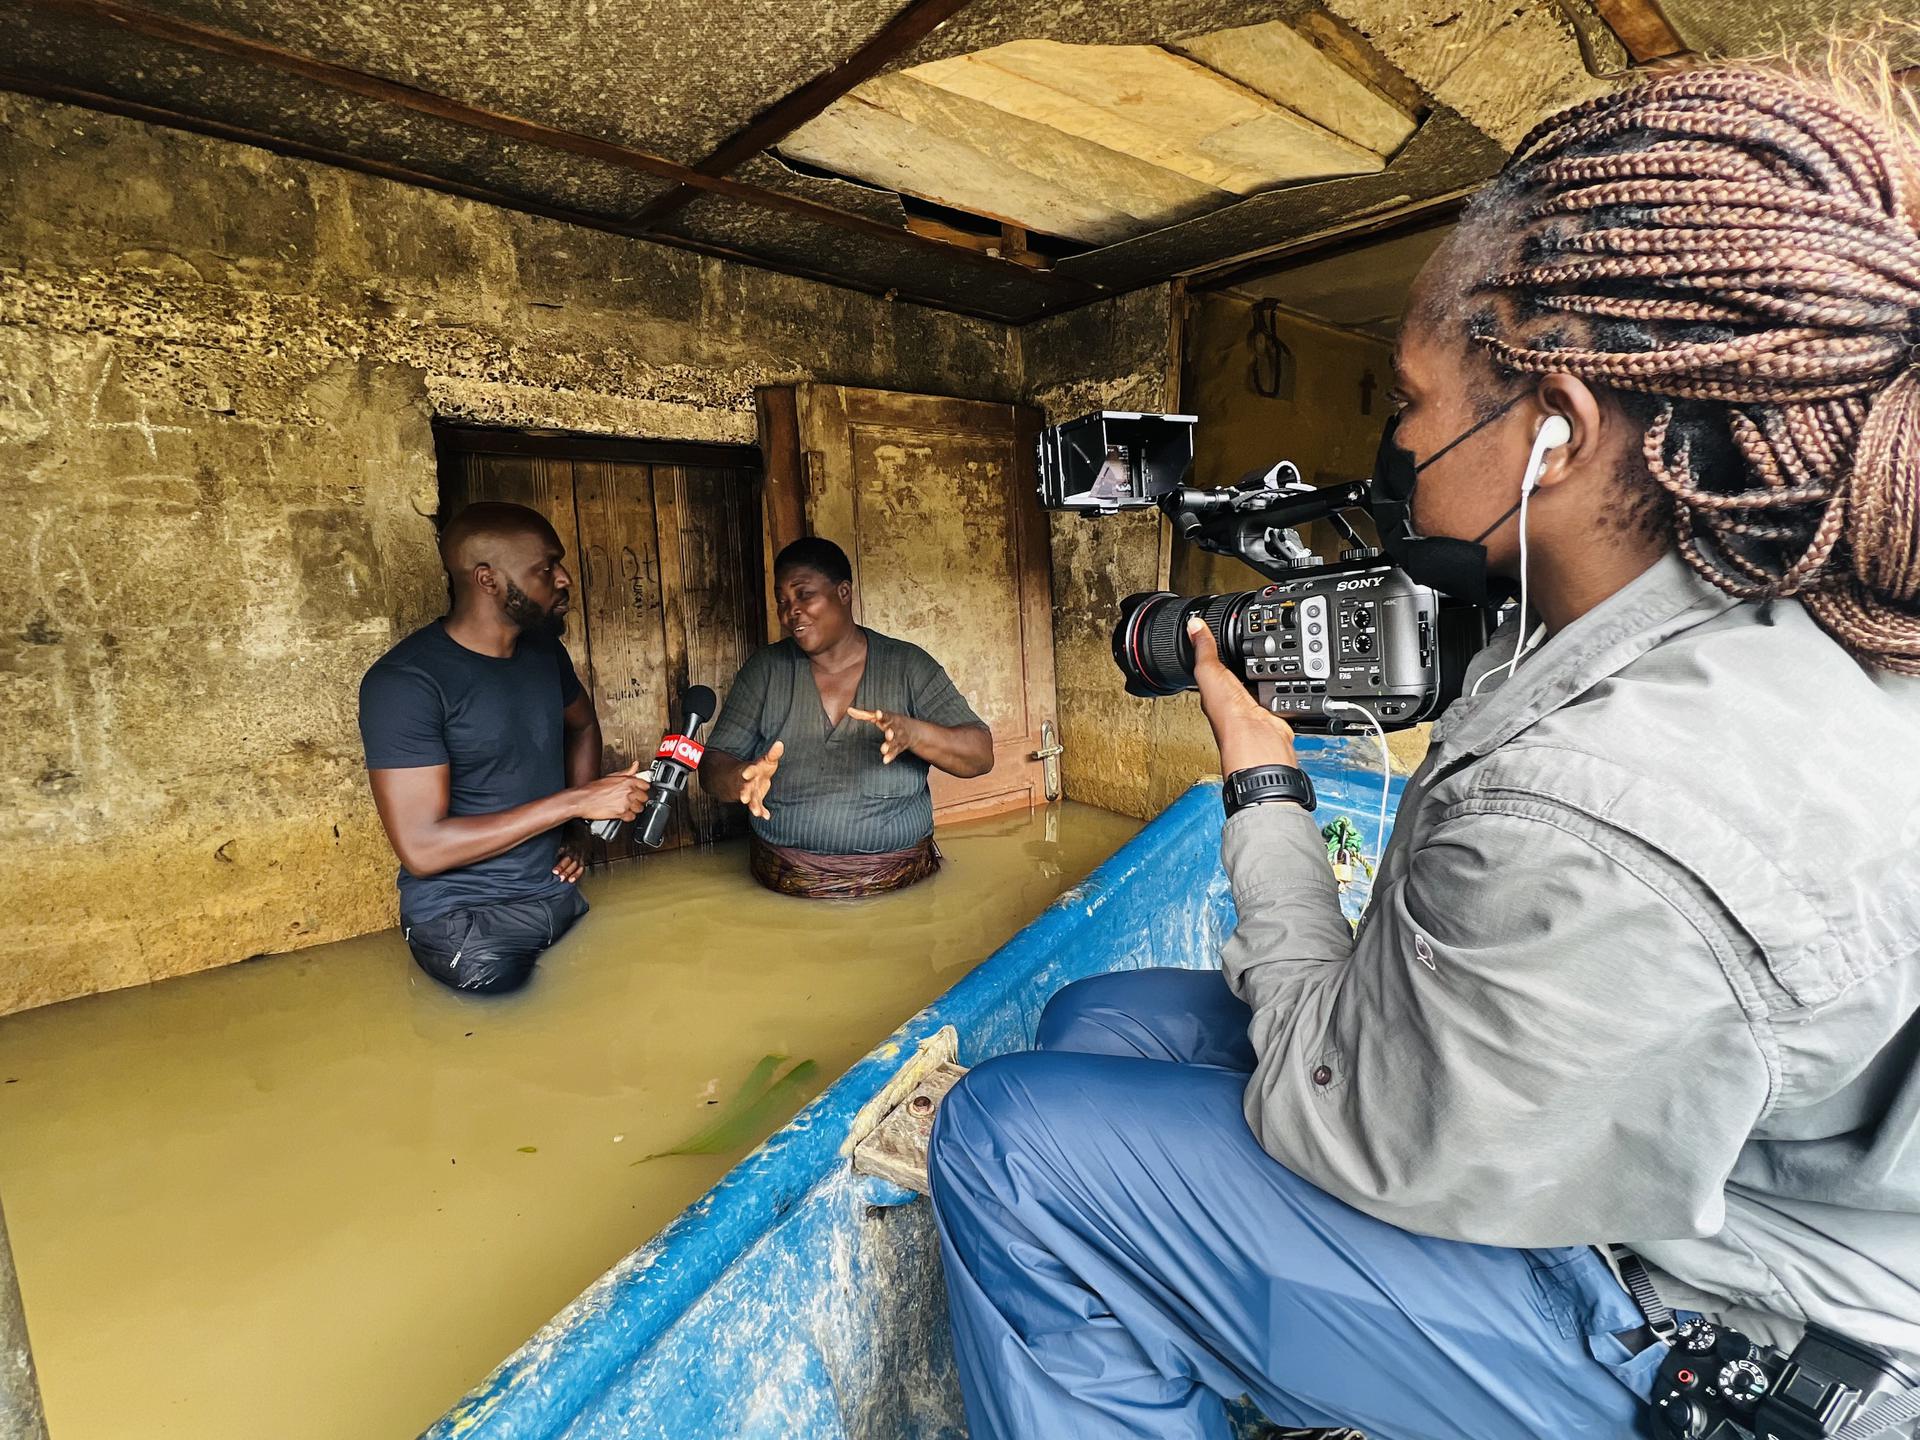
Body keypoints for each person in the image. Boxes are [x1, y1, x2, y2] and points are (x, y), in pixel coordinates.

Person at [928, 57, 1920, 1440]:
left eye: (1404, 399)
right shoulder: (1780, 607)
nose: (1393, 441)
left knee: (1010, 1142)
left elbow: (1355, 1122)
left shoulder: (1613, 804)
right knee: (1104, 1023)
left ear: (1557, 432)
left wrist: (1262, 778)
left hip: (1725, 1342)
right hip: (1755, 1195)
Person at [357, 502, 651, 994]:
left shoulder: (543, 654)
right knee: (504, 1012)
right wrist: (578, 801)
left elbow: (582, 726)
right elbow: (422, 850)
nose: (564, 579)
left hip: (556, 893)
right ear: (488, 579)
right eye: (546, 567)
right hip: (464, 923)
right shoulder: (405, 684)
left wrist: (576, 830)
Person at [699, 537, 993, 897]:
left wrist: (915, 734)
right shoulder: (766, 671)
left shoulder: (907, 667)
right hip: (784, 890)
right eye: (782, 601)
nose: (792, 610)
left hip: (900, 891)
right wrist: (739, 778)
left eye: (804, 594)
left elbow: (981, 755)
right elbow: (712, 766)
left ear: (843, 592)